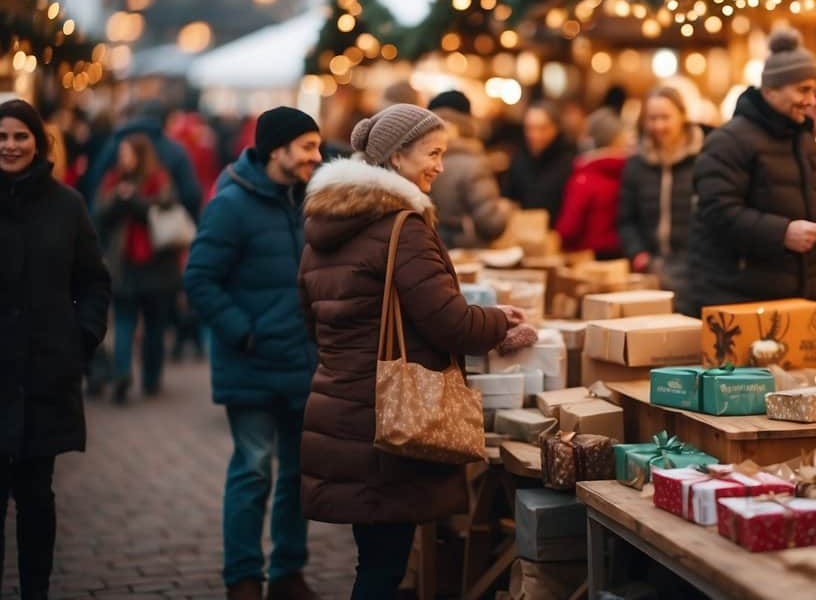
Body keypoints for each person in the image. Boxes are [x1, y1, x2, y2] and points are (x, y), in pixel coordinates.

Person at [297, 104, 535, 599]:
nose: (440, 166)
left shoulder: (326, 225)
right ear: (397, 156)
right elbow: (449, 321)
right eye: (433, 153)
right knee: (382, 569)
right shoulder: (402, 228)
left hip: (345, 407)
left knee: (377, 557)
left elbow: (312, 319)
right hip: (386, 423)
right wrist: (498, 322)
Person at [183, 107, 324, 600]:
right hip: (252, 361)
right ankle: (243, 577)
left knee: (297, 473)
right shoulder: (231, 205)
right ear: (277, 149)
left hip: (299, 361)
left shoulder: (303, 201)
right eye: (307, 146)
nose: (317, 156)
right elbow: (199, 279)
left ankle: (288, 572)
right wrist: (246, 333)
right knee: (254, 468)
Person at [0, 100, 110, 600]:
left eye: (20, 136)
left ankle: (35, 591)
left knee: (36, 497)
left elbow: (93, 281)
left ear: (39, 143)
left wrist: (80, 337)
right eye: (2, 137)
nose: (10, 145)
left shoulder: (68, 205)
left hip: (44, 373)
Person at [685, 28, 816, 314]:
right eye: (803, 89)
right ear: (771, 90)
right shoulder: (728, 141)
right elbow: (717, 212)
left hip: (800, 299)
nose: (812, 100)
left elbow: (812, 204)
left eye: (813, 89)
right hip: (740, 301)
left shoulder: (804, 139)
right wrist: (782, 233)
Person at [94, 133, 185, 403]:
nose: (123, 159)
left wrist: (133, 199)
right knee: (123, 321)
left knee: (155, 325)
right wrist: (117, 199)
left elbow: (167, 206)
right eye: (121, 154)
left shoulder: (159, 178)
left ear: (140, 155)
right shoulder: (113, 179)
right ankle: (122, 375)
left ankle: (151, 378)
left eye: (127, 154)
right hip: (125, 264)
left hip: (157, 265)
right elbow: (99, 213)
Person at [617, 87, 704, 298]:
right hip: (651, 269)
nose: (658, 125)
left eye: (665, 117)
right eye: (652, 118)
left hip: (695, 270)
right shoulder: (636, 164)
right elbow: (626, 218)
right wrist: (637, 253)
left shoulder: (703, 159)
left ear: (682, 116)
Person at [81, 100, 202, 221]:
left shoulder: (116, 143)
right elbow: (191, 194)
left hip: (115, 232)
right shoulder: (175, 149)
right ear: (164, 120)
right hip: (160, 231)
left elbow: (95, 179)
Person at [426, 89, 514, 249]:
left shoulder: (422, 160)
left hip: (432, 251)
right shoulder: (473, 163)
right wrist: (506, 209)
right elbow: (491, 224)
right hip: (468, 254)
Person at [555, 108, 631, 258]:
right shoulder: (631, 172)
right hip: (624, 256)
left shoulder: (585, 178)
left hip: (588, 257)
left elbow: (569, 228)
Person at [503, 101, 577, 224]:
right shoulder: (519, 157)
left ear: (556, 128)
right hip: (524, 230)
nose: (535, 135)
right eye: (530, 128)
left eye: (542, 128)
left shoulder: (569, 160)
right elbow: (508, 195)